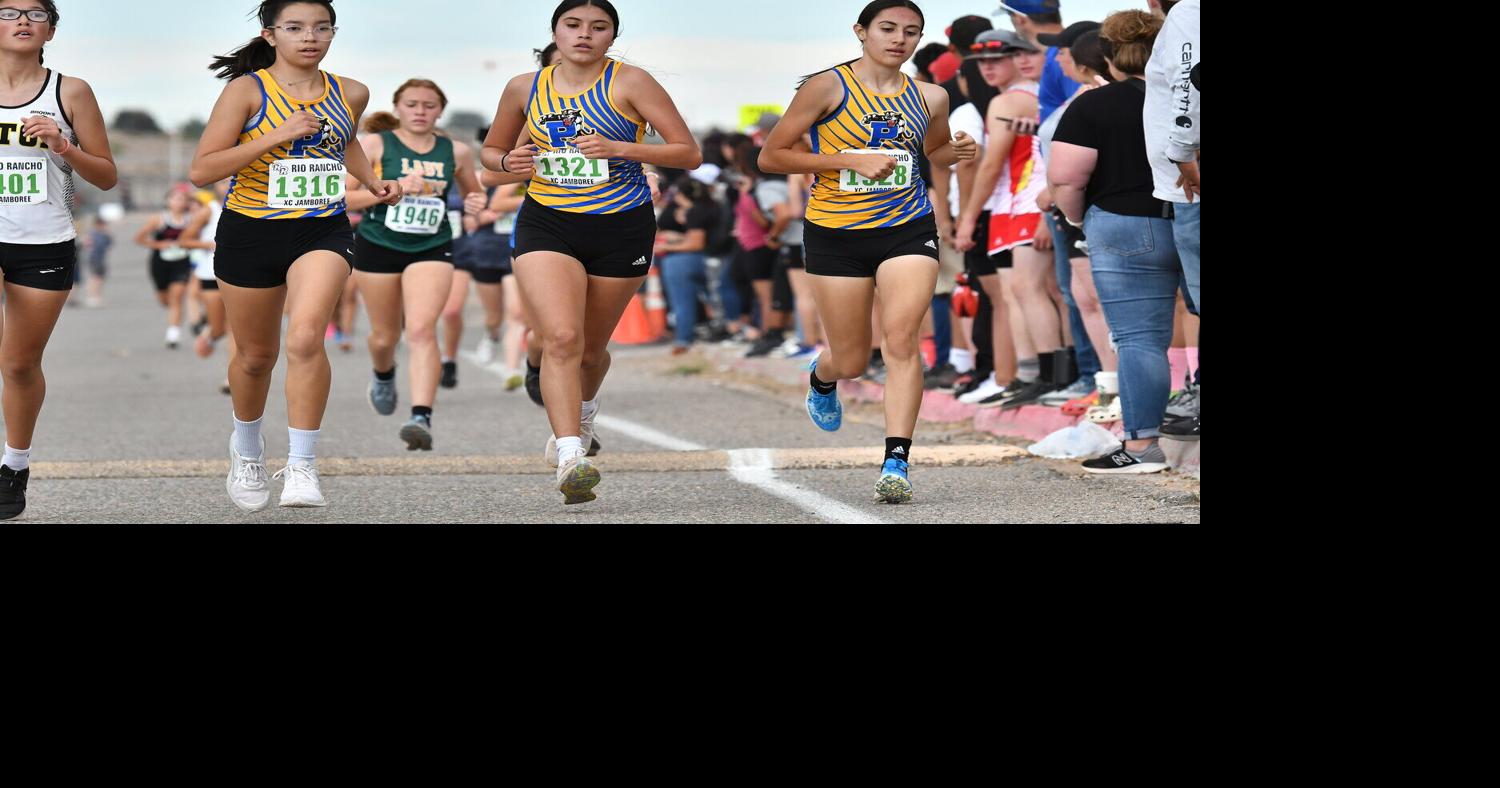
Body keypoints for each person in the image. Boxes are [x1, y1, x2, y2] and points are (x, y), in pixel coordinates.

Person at [480, 0, 702, 505]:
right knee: (560, 336)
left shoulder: (632, 83)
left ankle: (582, 413)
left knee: (590, 350)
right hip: (548, 221)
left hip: (621, 226)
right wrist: (508, 159)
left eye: (598, 27)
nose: (584, 34)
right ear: (555, 32)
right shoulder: (525, 87)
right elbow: (492, 158)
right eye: (573, 25)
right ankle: (569, 455)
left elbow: (687, 151)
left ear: (612, 36)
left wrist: (623, 148)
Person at [760, 0, 975, 504]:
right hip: (836, 233)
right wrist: (846, 159)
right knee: (853, 358)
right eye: (888, 28)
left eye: (911, 32)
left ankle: (896, 461)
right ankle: (823, 374)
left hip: (907, 227)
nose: (899, 39)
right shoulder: (826, 87)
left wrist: (956, 151)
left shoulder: (931, 96)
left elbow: (934, 151)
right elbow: (771, 156)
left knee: (902, 338)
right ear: (861, 31)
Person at [191, 0, 401, 510]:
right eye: (295, 28)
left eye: (321, 27)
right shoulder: (246, 90)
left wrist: (373, 183)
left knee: (307, 336)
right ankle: (246, 447)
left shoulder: (350, 91)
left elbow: (344, 141)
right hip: (250, 230)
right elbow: (203, 170)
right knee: (256, 356)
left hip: (320, 229)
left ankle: (303, 467)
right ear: (270, 35)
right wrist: (277, 135)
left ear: (333, 33)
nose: (310, 37)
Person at [0, 0, 119, 520]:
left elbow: (106, 175)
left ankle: (14, 465)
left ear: (51, 27)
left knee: (19, 364)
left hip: (42, 241)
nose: (22, 21)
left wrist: (62, 146)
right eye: (7, 12)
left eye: (34, 13)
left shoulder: (70, 91)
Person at [1049, 9, 1175, 474]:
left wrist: (1082, 219)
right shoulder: (1187, 96)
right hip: (1189, 216)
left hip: (1123, 224)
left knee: (1141, 340)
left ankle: (1142, 447)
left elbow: (1065, 179)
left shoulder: (1094, 104)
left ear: (1108, 54)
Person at [346, 79, 486, 451]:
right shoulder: (375, 144)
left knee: (423, 329)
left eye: (428, 105)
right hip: (378, 244)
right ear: (397, 108)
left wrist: (474, 204)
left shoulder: (455, 151)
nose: (420, 111)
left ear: (440, 110)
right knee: (384, 336)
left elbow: (473, 192)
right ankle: (383, 372)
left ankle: (421, 415)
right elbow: (343, 198)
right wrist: (389, 187)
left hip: (432, 244)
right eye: (412, 104)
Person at [134, 186, 201, 349]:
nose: (180, 202)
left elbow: (198, 238)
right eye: (176, 198)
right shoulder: (159, 219)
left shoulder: (191, 219)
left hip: (182, 262)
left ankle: (173, 334)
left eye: (183, 199)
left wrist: (189, 244)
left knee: (177, 297)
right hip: (160, 263)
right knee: (165, 300)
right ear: (168, 201)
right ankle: (173, 318)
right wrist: (158, 244)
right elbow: (139, 238)